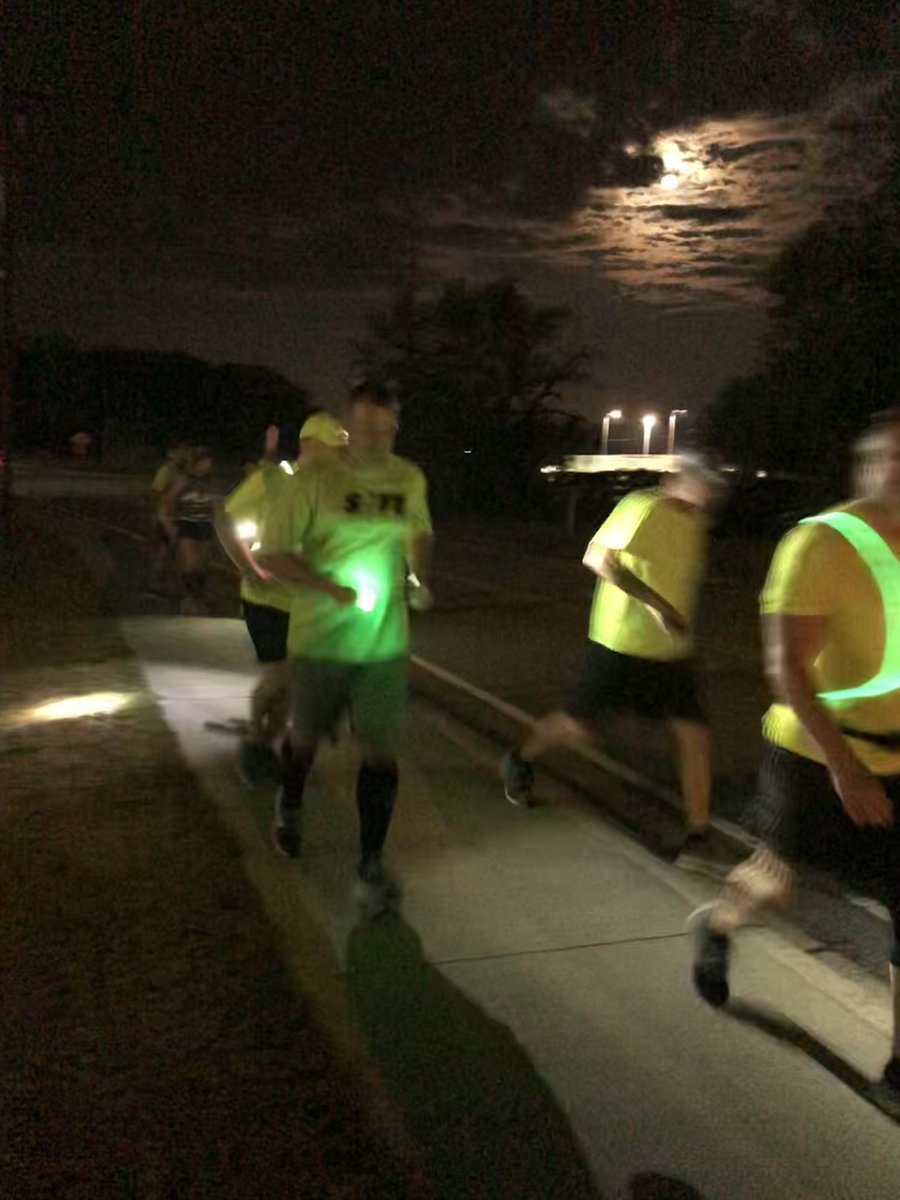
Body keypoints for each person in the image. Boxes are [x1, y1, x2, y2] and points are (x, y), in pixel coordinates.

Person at [691, 412, 900, 1114]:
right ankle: (717, 925)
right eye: (889, 460)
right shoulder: (819, 544)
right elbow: (786, 669)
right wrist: (846, 767)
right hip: (814, 754)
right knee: (776, 886)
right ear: (865, 467)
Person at [501, 453, 724, 870]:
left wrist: (690, 640)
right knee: (575, 726)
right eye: (700, 482)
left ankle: (698, 837)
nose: (707, 492)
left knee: (694, 734)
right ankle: (521, 757)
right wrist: (655, 605)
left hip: (671, 654)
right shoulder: (642, 507)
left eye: (710, 485)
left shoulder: (695, 524)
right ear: (677, 479)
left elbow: (683, 585)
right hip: (620, 644)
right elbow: (596, 557)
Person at [260, 382, 433, 915]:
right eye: (365, 429)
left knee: (379, 754)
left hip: (382, 646)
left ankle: (371, 864)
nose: (375, 439)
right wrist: (329, 588)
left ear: (395, 429)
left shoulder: (407, 478)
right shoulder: (311, 481)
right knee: (306, 741)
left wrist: (418, 575)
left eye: (386, 430)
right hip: (320, 643)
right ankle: (290, 804)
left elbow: (418, 532)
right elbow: (274, 556)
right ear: (345, 427)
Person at [217, 415, 349, 783]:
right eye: (333, 448)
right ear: (309, 445)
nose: (340, 456)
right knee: (277, 679)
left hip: (306, 605)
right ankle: (256, 741)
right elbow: (224, 517)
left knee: (291, 685)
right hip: (267, 599)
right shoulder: (274, 480)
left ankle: (267, 744)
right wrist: (246, 565)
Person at [162, 446, 217, 615]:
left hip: (205, 525)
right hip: (187, 524)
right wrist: (169, 523)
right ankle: (190, 598)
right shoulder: (184, 480)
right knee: (190, 562)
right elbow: (167, 501)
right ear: (197, 463)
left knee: (203, 564)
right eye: (205, 462)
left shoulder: (209, 482)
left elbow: (214, 504)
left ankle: (198, 597)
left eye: (209, 462)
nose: (208, 465)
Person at [148, 440, 191, 594]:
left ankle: (170, 584)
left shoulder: (185, 472)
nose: (184, 454)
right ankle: (159, 582)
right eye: (182, 451)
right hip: (166, 516)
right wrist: (159, 512)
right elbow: (156, 492)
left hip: (179, 516)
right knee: (166, 549)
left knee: (175, 550)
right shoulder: (167, 470)